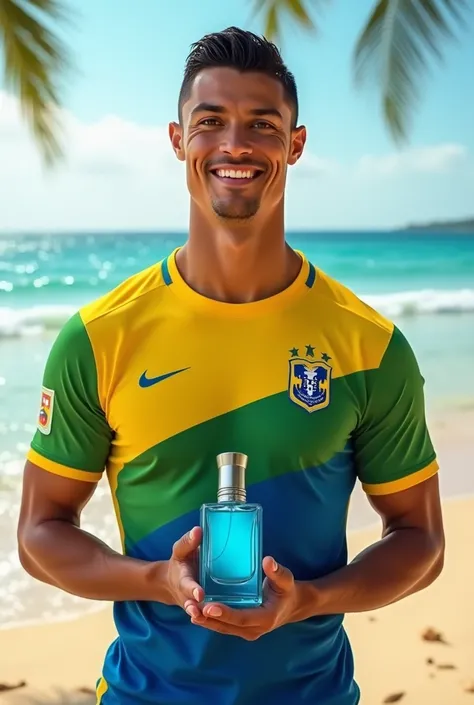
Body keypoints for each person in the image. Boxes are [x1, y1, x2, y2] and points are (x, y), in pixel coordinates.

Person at [17, 26, 445, 705]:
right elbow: (41, 533)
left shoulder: (369, 345)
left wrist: (308, 599)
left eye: (262, 125)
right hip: (142, 693)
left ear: (295, 145)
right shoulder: (100, 338)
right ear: (177, 139)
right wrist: (155, 579)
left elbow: (420, 539)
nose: (235, 145)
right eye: (210, 121)